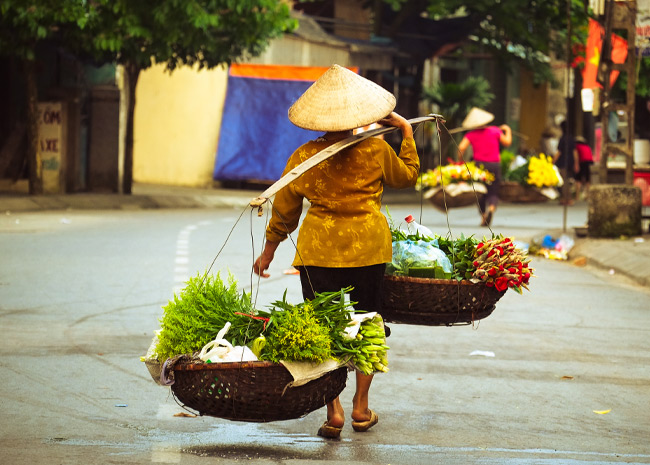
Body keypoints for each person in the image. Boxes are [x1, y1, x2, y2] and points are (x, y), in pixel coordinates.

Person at [252, 64, 419, 439]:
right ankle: (361, 407)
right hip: (367, 250)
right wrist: (406, 133)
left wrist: (268, 252)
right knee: (366, 324)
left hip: (318, 253)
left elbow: (284, 210)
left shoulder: (304, 157)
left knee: (325, 330)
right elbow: (406, 176)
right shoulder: (376, 149)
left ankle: (335, 410)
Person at [457, 107, 512, 226]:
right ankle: (491, 209)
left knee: (480, 191)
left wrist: (461, 162)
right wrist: (507, 130)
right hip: (494, 165)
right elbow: (507, 142)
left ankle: (483, 216)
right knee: (493, 191)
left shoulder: (471, 134)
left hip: (479, 166)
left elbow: (461, 148)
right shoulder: (495, 131)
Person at [553, 120, 579, 205]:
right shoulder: (571, 138)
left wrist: (553, 161)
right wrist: (576, 163)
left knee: (564, 181)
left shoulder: (563, 138)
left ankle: (567, 198)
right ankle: (567, 198)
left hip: (563, 162)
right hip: (570, 161)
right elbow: (575, 152)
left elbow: (559, 152)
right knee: (567, 180)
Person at [574, 136, 594, 200]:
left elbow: (576, 155)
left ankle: (577, 196)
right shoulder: (587, 146)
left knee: (578, 179)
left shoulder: (577, 146)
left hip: (581, 162)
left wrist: (576, 164)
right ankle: (588, 195)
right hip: (589, 163)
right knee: (587, 179)